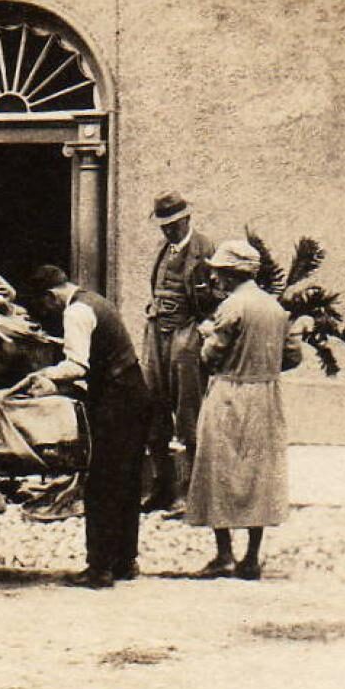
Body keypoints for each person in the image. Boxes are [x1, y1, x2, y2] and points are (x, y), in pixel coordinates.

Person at [17, 265, 152, 589]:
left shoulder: (75, 312)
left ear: (51, 296)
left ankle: (99, 569)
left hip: (116, 399)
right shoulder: (96, 301)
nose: (47, 312)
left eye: (43, 305)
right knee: (127, 481)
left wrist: (45, 375)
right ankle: (124, 561)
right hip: (134, 391)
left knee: (101, 483)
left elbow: (77, 365)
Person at [186, 240, 304, 581]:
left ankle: (224, 554)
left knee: (217, 469)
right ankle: (251, 557)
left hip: (229, 393)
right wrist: (262, 365)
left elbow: (211, 356)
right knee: (258, 474)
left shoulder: (231, 307)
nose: (215, 278)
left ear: (232, 273)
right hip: (265, 396)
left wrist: (206, 336)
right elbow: (293, 356)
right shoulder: (276, 309)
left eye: (219, 272)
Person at [141, 192, 218, 516]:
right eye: (164, 225)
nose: (169, 230)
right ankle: (162, 486)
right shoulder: (163, 249)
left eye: (173, 224)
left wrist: (206, 326)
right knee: (152, 407)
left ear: (186, 218)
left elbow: (218, 295)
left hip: (187, 335)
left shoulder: (205, 249)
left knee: (188, 412)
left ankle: (190, 493)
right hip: (156, 333)